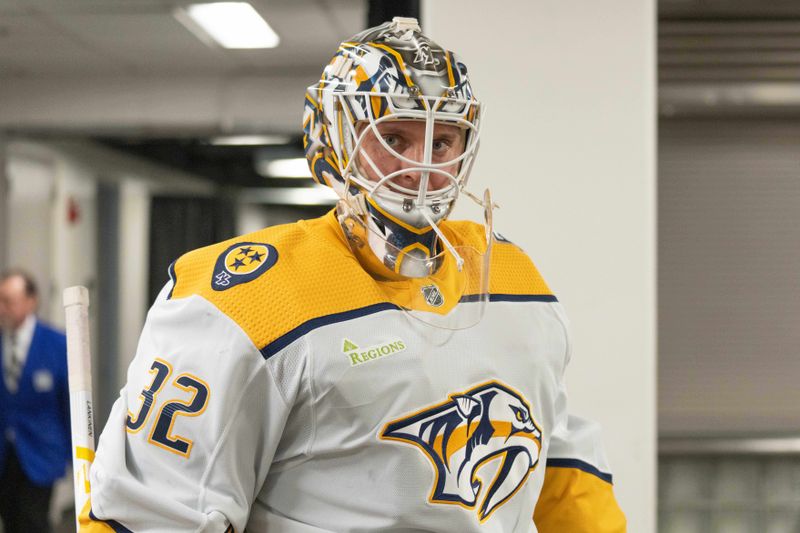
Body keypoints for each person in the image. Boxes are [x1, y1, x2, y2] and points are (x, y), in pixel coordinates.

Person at [81, 17, 626, 532]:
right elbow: (156, 512)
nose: (422, 167)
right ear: (335, 141)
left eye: (441, 141)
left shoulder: (512, 276)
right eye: (395, 139)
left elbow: (560, 460)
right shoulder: (246, 299)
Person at [0, 269, 71, 533]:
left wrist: (80, 458)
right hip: (5, 458)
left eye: (8, 301)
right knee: (10, 521)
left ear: (30, 301)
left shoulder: (56, 344)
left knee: (33, 522)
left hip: (40, 454)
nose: (2, 308)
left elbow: (70, 403)